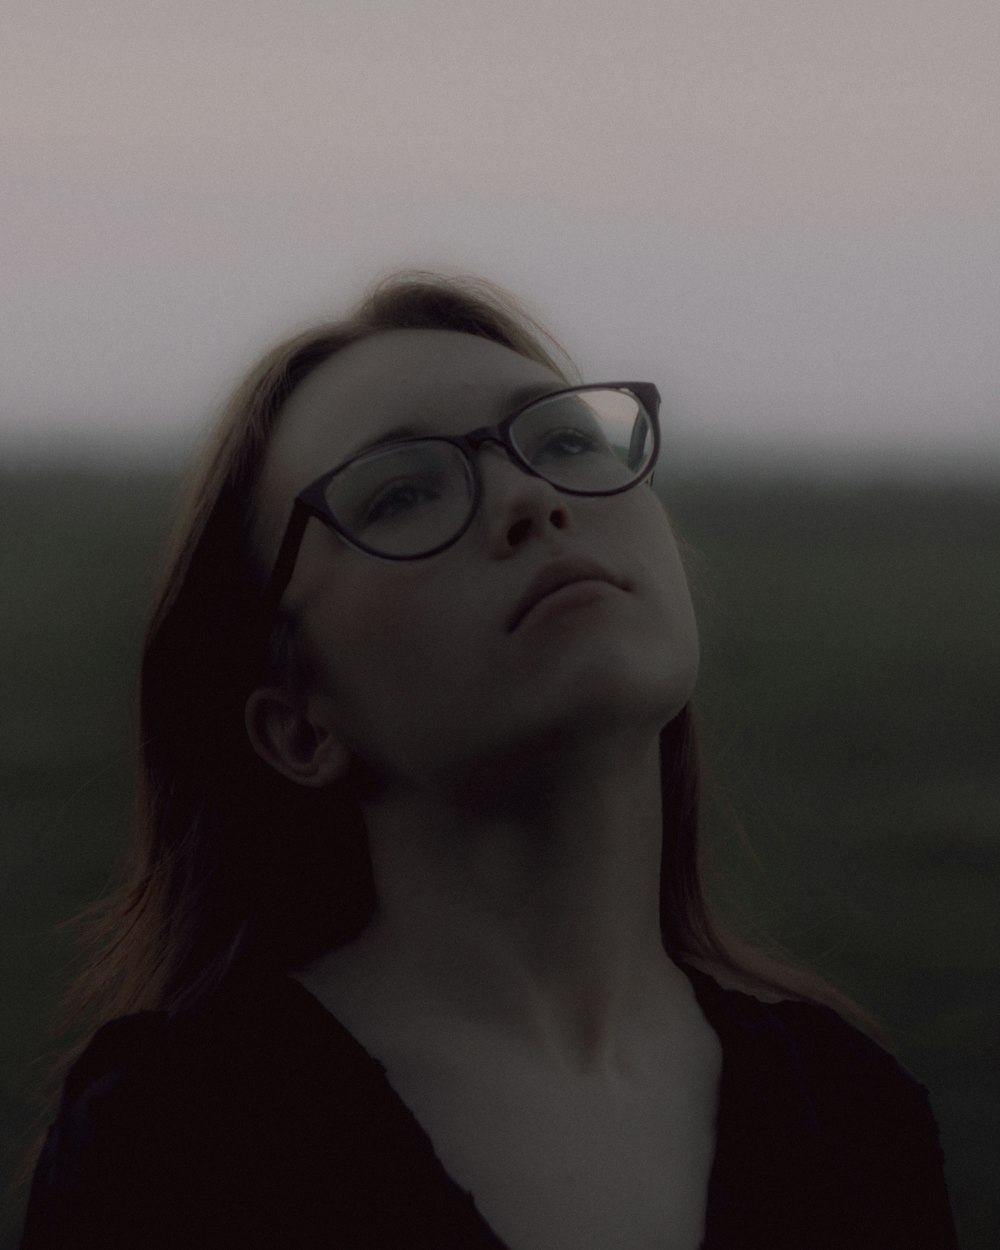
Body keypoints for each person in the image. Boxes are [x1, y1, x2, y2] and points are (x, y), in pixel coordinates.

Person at [18, 272, 958, 1249]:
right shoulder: (179, 1142)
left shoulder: (853, 1112)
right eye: (403, 492)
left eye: (563, 440)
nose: (531, 496)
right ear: (298, 724)